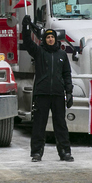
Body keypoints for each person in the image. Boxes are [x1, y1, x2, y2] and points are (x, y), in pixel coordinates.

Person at [22, 15, 74, 162]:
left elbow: (67, 74)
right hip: (42, 94)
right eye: (48, 37)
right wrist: (26, 27)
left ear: (56, 39)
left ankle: (65, 152)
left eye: (52, 37)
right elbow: (27, 43)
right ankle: (37, 152)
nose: (50, 39)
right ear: (44, 39)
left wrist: (69, 92)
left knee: (60, 125)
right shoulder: (39, 52)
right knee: (39, 125)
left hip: (58, 94)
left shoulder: (62, 54)